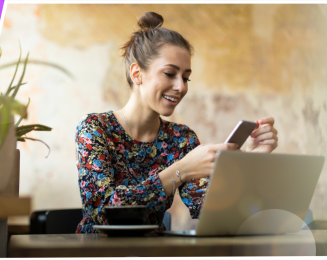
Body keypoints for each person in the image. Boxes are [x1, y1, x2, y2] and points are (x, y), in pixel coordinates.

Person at [75, 12, 278, 233]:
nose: (181, 87)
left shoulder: (181, 138)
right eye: (170, 73)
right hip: (96, 251)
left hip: (158, 251)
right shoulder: (95, 128)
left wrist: (251, 162)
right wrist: (181, 170)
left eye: (186, 77)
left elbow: (213, 209)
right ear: (137, 74)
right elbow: (102, 212)